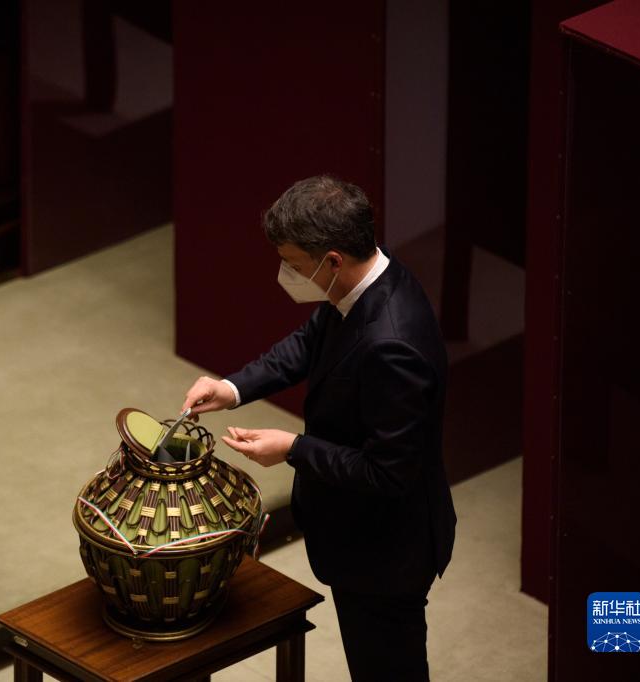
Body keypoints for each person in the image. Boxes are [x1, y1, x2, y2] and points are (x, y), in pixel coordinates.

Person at [181, 175, 456, 681]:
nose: (285, 273)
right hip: (355, 529)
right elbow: (310, 341)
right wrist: (232, 389)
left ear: (332, 260)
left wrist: (294, 448)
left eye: (293, 263)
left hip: (385, 550)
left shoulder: (393, 346)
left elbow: (388, 471)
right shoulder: (367, 277)